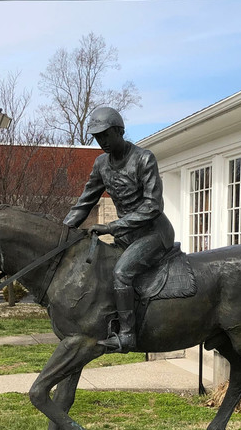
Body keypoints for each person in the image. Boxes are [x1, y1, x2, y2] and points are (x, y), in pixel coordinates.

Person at [63, 106, 175, 353]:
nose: (101, 141)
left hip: (153, 234)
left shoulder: (144, 159)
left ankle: (127, 335)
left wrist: (112, 226)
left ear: (119, 131)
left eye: (105, 134)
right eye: (97, 137)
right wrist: (61, 233)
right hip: (126, 236)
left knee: (122, 272)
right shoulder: (101, 164)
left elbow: (153, 205)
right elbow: (84, 202)